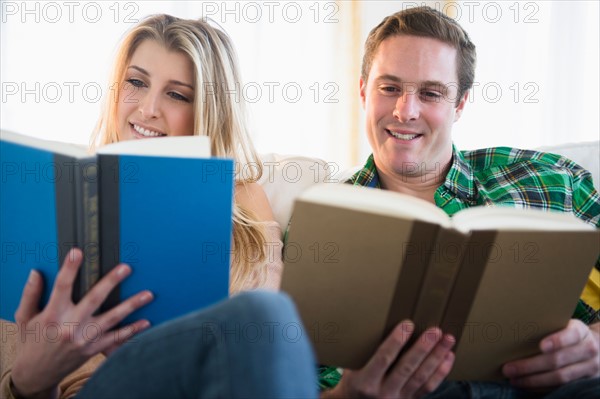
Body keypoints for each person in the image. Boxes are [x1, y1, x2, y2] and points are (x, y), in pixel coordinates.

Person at [1, 14, 315, 399]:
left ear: (208, 112)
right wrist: (29, 383)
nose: (148, 108)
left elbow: (270, 342)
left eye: (177, 94)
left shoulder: (242, 200)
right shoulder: (58, 195)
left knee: (267, 315)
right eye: (136, 82)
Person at [319, 6, 600, 399]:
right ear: (364, 91)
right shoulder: (325, 222)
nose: (405, 111)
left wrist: (596, 344)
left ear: (461, 104)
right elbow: (306, 376)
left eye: (430, 93)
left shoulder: (551, 178)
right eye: (390, 88)